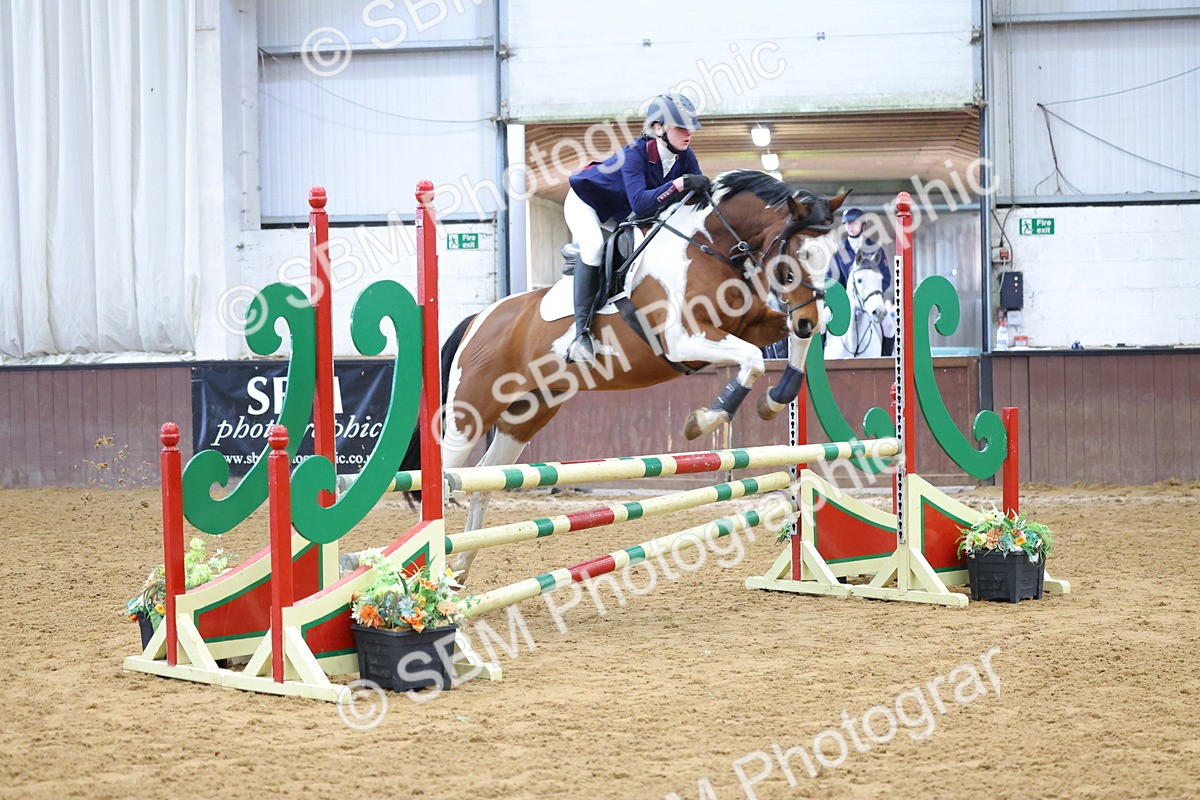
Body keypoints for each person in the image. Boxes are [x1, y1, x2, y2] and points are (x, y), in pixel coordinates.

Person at [563, 93, 710, 366]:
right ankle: (581, 334)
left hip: (620, 211)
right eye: (680, 128)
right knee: (594, 247)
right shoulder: (635, 154)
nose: (688, 134)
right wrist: (678, 185)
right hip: (587, 203)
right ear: (658, 129)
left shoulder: (685, 156)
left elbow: (696, 195)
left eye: (690, 128)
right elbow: (642, 204)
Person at [829, 207, 890, 293]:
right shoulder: (839, 252)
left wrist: (871, 294)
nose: (850, 226)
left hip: (871, 301)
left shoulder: (875, 250)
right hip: (848, 302)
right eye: (847, 223)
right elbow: (834, 280)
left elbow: (886, 278)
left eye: (854, 223)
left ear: (863, 225)